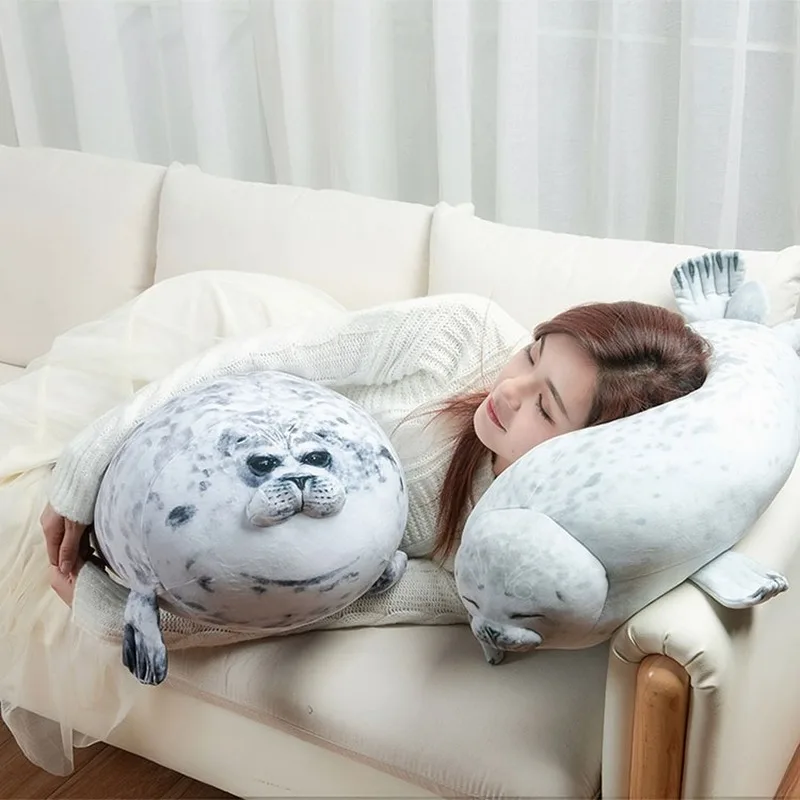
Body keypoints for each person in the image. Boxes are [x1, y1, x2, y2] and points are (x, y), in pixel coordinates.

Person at [38, 255, 716, 651]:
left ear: (585, 450)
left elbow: (325, 601)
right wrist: (86, 461)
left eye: (546, 407)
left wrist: (118, 618)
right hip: (239, 361)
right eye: (532, 355)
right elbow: (268, 357)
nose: (509, 391)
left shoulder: (496, 551)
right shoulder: (462, 332)